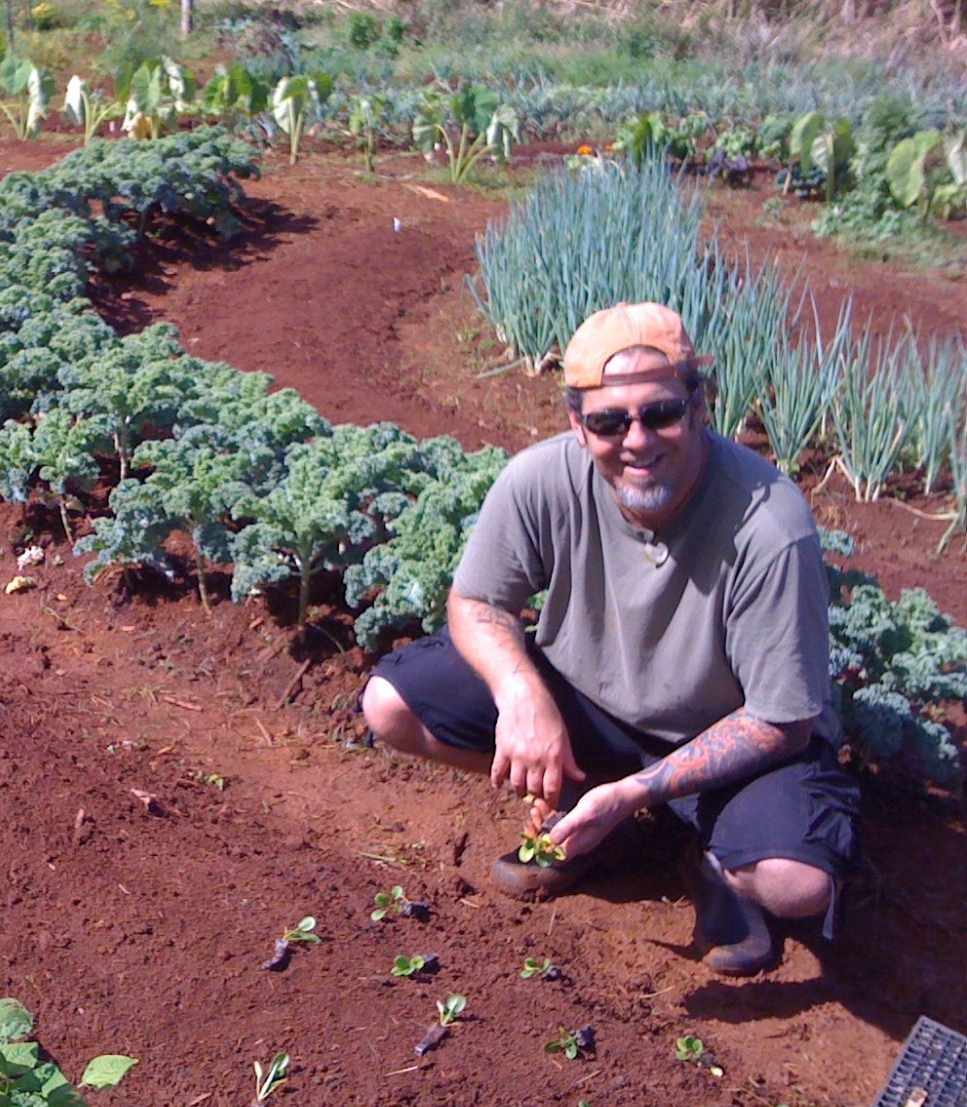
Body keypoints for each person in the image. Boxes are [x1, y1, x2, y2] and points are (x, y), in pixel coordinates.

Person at [360, 302, 858, 977]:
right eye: (608, 421)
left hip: (727, 739)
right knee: (391, 705)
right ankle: (593, 809)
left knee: (795, 885)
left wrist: (638, 791)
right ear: (577, 424)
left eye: (661, 413)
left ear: (700, 405)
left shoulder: (768, 524)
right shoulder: (541, 479)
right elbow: (477, 600)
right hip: (592, 704)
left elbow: (780, 722)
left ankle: (708, 860)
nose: (639, 440)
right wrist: (521, 696)